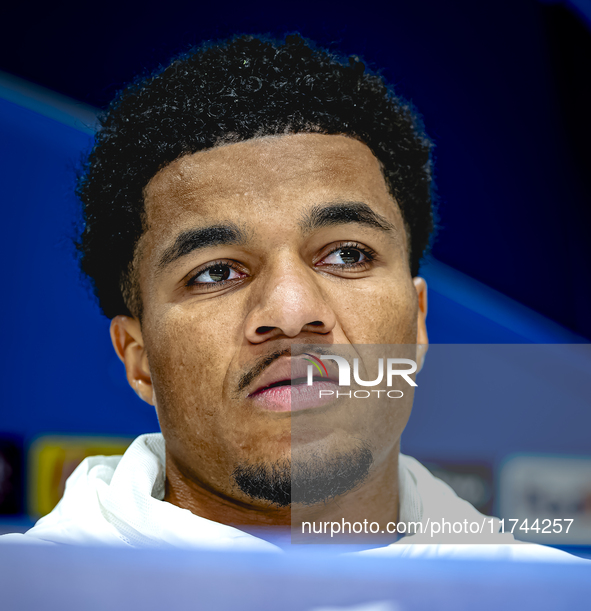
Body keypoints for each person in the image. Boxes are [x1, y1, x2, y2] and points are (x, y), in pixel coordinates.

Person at [0, 34, 579, 560]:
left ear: (419, 322)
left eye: (347, 254)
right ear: (139, 356)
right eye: (216, 272)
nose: (291, 311)